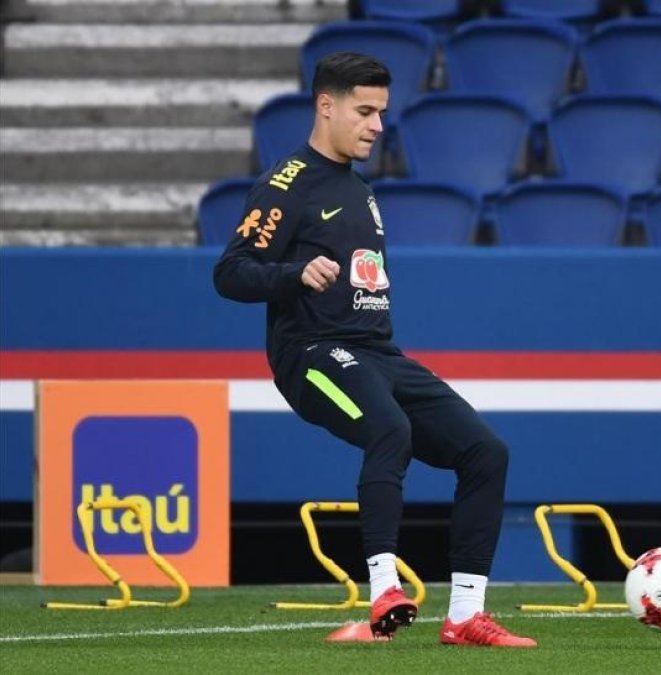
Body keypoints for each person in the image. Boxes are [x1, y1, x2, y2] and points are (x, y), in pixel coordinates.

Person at [213, 52, 535, 648]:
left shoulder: (360, 188)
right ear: (325, 105)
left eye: (382, 113)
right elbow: (230, 273)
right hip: (311, 353)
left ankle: (465, 617)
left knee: (486, 453)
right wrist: (292, 273)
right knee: (391, 431)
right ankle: (384, 588)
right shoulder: (285, 186)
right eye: (364, 111)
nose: (377, 126)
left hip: (378, 354)